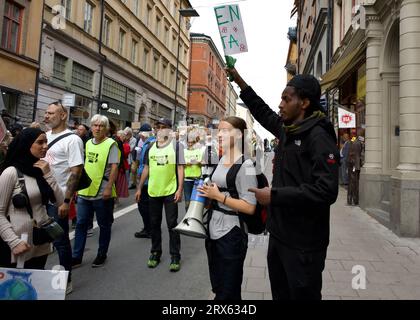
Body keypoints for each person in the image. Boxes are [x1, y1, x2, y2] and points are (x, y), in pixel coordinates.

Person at [226, 68, 339, 300]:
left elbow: (327, 191)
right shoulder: (287, 129)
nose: (280, 104)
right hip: (278, 235)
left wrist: (274, 196)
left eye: (286, 99)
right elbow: (262, 111)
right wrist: (238, 79)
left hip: (304, 244)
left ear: (305, 103)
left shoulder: (319, 136)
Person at [197, 116, 257, 300]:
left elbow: (250, 207)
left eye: (225, 130)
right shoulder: (221, 158)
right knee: (219, 287)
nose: (219, 134)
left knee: (228, 291)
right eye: (218, 130)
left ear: (238, 134)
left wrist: (218, 196)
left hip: (232, 234)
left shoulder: (246, 164)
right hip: (214, 230)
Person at [0, 128, 64, 270]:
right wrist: (13, 242)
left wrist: (48, 175)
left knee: (35, 287)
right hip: (18, 245)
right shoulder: (11, 172)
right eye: (40, 142)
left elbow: (60, 201)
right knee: (14, 289)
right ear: (26, 144)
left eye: (46, 142)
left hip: (41, 241)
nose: (45, 146)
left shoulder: (42, 169)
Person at [44, 101, 84, 294]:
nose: (46, 116)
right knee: (40, 240)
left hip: (58, 200)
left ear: (63, 116)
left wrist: (66, 201)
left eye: (51, 113)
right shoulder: (44, 136)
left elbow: (76, 171)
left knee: (60, 241)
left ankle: (66, 280)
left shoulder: (73, 140)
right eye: (46, 112)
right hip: (40, 198)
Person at [135, 118, 184, 272]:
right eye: (158, 127)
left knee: (172, 225)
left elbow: (181, 169)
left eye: (164, 127)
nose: (161, 129)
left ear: (170, 129)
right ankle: (155, 253)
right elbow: (146, 168)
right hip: (153, 191)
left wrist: (180, 189)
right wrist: (139, 188)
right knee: (154, 224)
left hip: (170, 191)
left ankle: (175, 255)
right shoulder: (150, 147)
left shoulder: (177, 146)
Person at [72, 114, 119, 268]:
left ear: (106, 128)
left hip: (102, 192)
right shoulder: (87, 143)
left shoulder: (111, 144)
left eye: (101, 126)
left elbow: (114, 167)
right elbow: (82, 166)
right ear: (91, 127)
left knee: (104, 225)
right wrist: (77, 187)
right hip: (85, 191)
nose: (98, 128)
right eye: (95, 125)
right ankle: (77, 256)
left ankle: (101, 254)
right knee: (80, 224)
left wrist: (108, 188)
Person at [134, 123, 155, 239]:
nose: (140, 137)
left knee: (143, 205)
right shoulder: (149, 143)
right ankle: (149, 227)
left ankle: (149, 229)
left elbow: (147, 165)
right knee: (146, 205)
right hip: (148, 179)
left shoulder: (150, 144)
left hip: (146, 180)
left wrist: (140, 183)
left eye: (141, 134)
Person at [183, 130, 204, 211]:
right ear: (187, 142)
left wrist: (199, 162)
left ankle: (195, 218)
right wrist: (186, 163)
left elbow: (203, 163)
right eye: (189, 142)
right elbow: (181, 164)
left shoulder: (198, 151)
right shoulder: (184, 151)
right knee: (188, 202)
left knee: (196, 202)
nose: (190, 144)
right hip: (187, 179)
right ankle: (187, 219)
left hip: (197, 179)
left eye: (192, 143)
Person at [347, 134, 363, 205]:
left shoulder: (353, 141)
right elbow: (360, 155)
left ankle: (350, 200)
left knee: (351, 182)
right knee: (354, 183)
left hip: (351, 164)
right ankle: (354, 200)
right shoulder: (358, 143)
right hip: (355, 165)